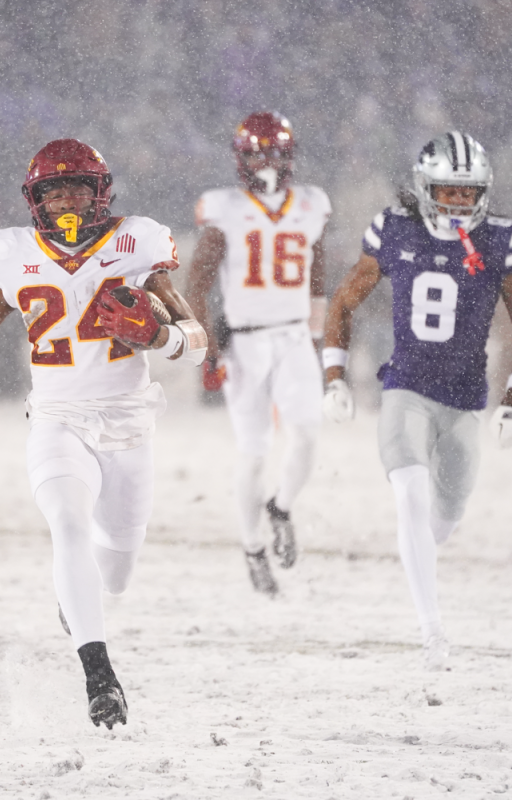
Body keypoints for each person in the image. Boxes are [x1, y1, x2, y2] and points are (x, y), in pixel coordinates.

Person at [0, 139, 207, 728]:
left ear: (101, 193)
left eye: (76, 187)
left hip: (129, 422)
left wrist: (157, 335)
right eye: (52, 190)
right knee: (66, 523)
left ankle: (82, 601)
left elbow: (196, 341)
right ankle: (99, 675)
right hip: (58, 419)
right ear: (33, 199)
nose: (64, 199)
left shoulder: (135, 242)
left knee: (114, 570)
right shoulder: (12, 253)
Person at [322, 131, 512, 670]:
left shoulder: (501, 240)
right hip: (406, 386)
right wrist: (334, 376)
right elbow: (345, 302)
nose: (458, 203)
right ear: (426, 188)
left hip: (466, 397)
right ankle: (432, 632)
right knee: (411, 496)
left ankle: (418, 558)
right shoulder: (393, 230)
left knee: (445, 514)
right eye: (448, 191)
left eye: (468, 194)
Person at [187, 111, 331, 596]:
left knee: (308, 435)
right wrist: (206, 348)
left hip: (292, 337)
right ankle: (252, 547)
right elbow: (198, 283)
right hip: (245, 342)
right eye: (257, 154)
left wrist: (318, 335)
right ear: (241, 160)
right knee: (254, 452)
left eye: (274, 153)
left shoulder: (311, 206)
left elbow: (317, 269)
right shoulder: (224, 209)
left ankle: (281, 507)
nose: (266, 162)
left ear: (289, 157)